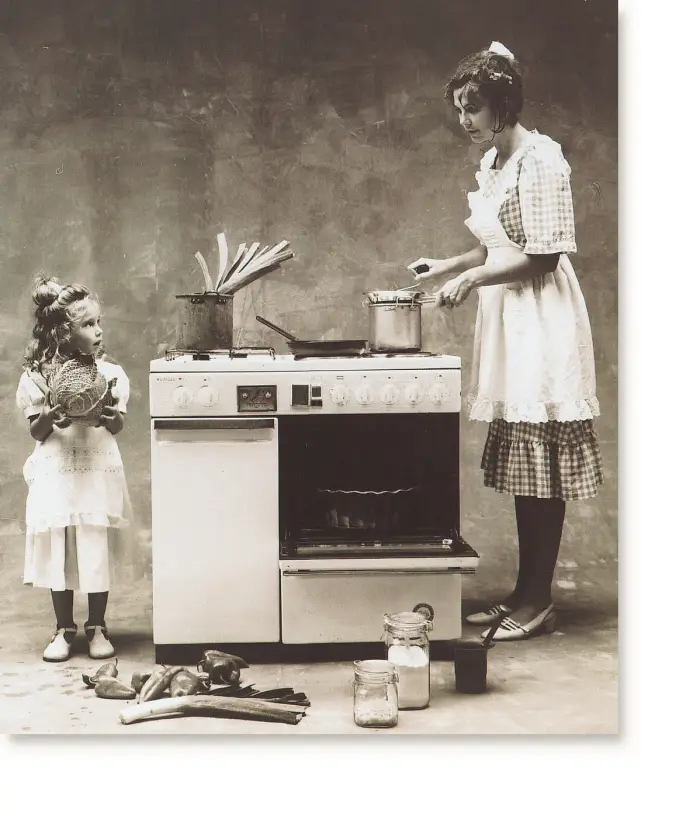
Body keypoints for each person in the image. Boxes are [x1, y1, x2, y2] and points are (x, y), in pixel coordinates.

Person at [409, 41, 602, 641]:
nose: (464, 120)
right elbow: (497, 244)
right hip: (511, 318)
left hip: (541, 318)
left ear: (504, 103)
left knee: (540, 463)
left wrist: (473, 280)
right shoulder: (496, 162)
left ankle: (538, 600)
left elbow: (544, 256)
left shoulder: (541, 160)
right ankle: (524, 593)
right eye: (459, 108)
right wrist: (447, 265)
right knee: (526, 466)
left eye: (473, 107)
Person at [15, 277, 133, 662]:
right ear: (64, 333)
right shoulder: (38, 377)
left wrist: (112, 417)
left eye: (99, 323)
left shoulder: (108, 374)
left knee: (94, 543)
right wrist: (49, 416)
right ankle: (64, 628)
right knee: (60, 547)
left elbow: (117, 425)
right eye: (88, 324)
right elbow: (37, 431)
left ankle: (97, 625)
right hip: (59, 471)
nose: (98, 331)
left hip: (94, 468)